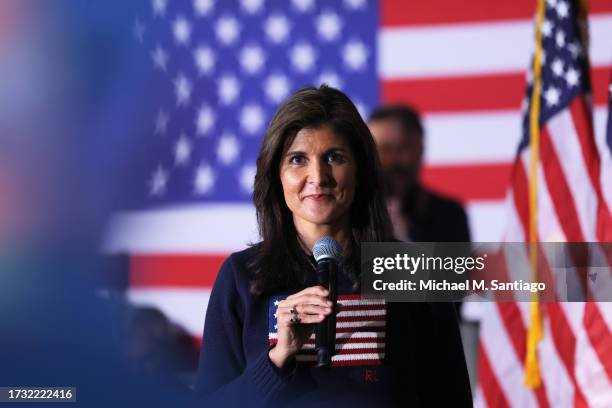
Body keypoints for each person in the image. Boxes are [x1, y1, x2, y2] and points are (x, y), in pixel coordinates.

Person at [194, 86, 472, 407]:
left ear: (361, 171)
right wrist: (277, 359)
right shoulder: (241, 275)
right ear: (276, 174)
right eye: (298, 159)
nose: (318, 176)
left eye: (334, 157)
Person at [368, 105, 471, 243]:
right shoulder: (349, 213)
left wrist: (407, 237)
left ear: (420, 150)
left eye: (403, 148)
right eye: (383, 150)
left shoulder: (450, 215)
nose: (394, 160)